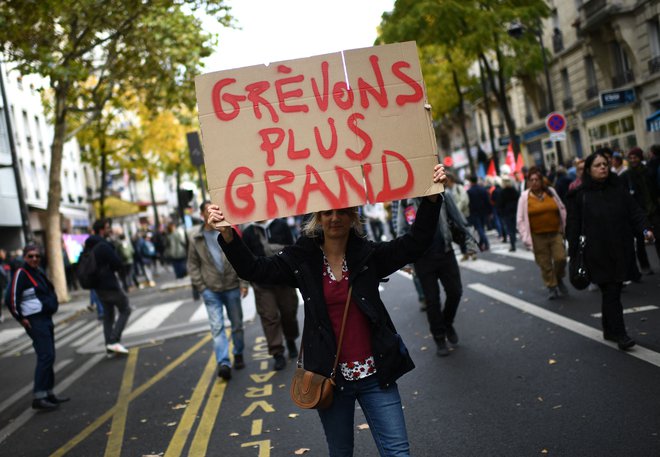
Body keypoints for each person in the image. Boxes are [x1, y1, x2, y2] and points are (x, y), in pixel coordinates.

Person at [208, 165, 447, 457]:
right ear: (318, 218)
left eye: (342, 211)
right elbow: (254, 268)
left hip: (377, 375)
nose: (334, 217)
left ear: (352, 216)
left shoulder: (369, 256)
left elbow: (415, 244)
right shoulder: (301, 260)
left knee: (398, 453)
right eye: (327, 212)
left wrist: (432, 199)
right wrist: (229, 236)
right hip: (331, 380)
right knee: (340, 453)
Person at [566, 151, 655, 350]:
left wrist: (645, 229)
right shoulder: (581, 195)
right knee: (612, 290)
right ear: (588, 170)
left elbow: (634, 211)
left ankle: (609, 328)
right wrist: (573, 254)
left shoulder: (618, 188)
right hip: (596, 252)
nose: (603, 167)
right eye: (597, 165)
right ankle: (621, 334)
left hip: (620, 248)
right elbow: (573, 226)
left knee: (611, 291)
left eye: (605, 164)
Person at [401, 190, 472, 357]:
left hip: (445, 252)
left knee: (455, 292)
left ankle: (447, 323)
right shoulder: (408, 202)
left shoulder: (443, 195)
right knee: (432, 301)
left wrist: (468, 242)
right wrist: (406, 260)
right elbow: (402, 229)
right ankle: (439, 338)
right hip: (423, 259)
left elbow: (458, 218)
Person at [187, 201, 249, 380]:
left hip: (231, 286)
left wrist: (243, 282)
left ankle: (238, 353)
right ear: (202, 215)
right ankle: (223, 362)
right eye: (208, 211)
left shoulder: (228, 230)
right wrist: (201, 287)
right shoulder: (196, 237)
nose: (212, 213)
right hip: (211, 290)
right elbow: (192, 264)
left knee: (237, 324)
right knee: (217, 327)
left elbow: (241, 256)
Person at [5, 245, 70, 410]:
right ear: (25, 258)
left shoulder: (38, 272)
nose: (34, 259)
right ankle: (39, 397)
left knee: (49, 355)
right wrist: (21, 318)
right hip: (35, 321)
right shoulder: (21, 273)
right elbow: (11, 298)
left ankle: (49, 393)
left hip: (45, 318)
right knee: (46, 356)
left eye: (37, 256)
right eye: (30, 256)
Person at [242, 218, 300, 370]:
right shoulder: (248, 232)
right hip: (262, 284)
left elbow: (293, 249)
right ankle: (277, 353)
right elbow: (244, 260)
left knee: (289, 312)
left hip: (284, 280)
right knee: (269, 317)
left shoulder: (280, 225)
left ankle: (290, 339)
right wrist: (244, 283)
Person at [517, 167, 568, 299]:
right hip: (537, 236)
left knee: (560, 258)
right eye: (531, 180)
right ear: (528, 182)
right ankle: (552, 286)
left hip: (555, 232)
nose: (534, 182)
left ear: (541, 181)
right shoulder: (524, 197)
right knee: (544, 263)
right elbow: (520, 219)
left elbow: (561, 208)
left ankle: (558, 277)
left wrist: (565, 226)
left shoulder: (551, 192)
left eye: (537, 179)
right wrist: (524, 236)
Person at [84, 219, 132, 355]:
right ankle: (113, 341)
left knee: (108, 315)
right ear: (101, 230)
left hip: (98, 287)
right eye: (107, 227)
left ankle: (109, 347)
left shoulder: (89, 246)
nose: (109, 230)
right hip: (109, 284)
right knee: (125, 309)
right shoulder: (103, 246)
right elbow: (117, 263)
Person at [621, 146, 660, 275]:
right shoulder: (627, 176)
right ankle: (644, 266)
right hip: (638, 214)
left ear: (640, 157)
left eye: (635, 157)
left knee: (658, 236)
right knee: (641, 238)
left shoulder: (648, 171)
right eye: (630, 158)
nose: (633, 160)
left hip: (652, 210)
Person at [467, 176, 492, 251]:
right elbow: (488, 201)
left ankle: (486, 243)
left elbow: (469, 204)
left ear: (471, 182)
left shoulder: (469, 191)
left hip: (475, 213)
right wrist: (489, 211)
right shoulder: (483, 189)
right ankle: (481, 243)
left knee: (479, 229)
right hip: (483, 212)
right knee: (482, 228)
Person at [497, 175, 520, 252]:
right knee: (514, 227)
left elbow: (500, 204)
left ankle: (512, 244)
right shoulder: (513, 190)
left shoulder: (502, 192)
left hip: (507, 212)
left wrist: (501, 212)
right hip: (514, 211)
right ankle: (514, 239)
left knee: (509, 228)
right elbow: (518, 199)